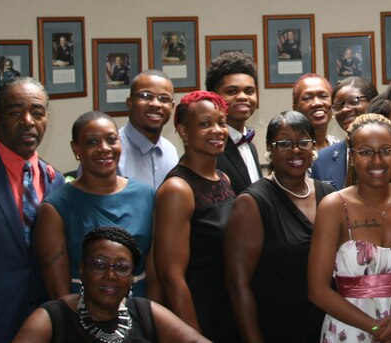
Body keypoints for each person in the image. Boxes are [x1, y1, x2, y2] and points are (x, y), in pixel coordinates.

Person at [226, 111, 335, 342]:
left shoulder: (329, 195)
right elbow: (238, 284)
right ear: (269, 148)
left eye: (303, 142)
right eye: (284, 143)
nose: (295, 150)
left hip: (331, 328)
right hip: (278, 329)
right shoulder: (253, 203)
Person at [308, 114, 391, 343]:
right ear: (352, 157)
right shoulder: (335, 206)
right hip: (350, 331)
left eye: (386, 151)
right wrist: (377, 329)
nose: (377, 161)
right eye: (366, 152)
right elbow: (317, 291)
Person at [14, 226, 208, 343]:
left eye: (122, 267)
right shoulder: (53, 317)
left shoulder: (144, 311)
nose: (111, 275)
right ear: (82, 269)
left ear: (132, 275)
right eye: (99, 265)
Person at [35, 111, 155, 300]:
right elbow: (57, 290)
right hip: (81, 310)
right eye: (92, 142)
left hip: (139, 307)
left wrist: (148, 319)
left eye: (111, 140)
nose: (104, 148)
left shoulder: (146, 195)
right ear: (76, 149)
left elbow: (156, 272)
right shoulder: (55, 207)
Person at [153, 91, 238, 341]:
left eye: (221, 122)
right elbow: (171, 276)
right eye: (204, 124)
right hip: (198, 311)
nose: (217, 130)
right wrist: (193, 335)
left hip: (227, 306)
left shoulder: (224, 179)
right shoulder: (178, 189)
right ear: (183, 131)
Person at [0, 78, 65, 343]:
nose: (28, 121)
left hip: (47, 323)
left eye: (37, 112)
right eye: (15, 112)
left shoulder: (55, 180)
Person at [207, 52, 263, 194]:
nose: (243, 97)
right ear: (213, 96)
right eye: (232, 91)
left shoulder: (251, 146)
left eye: (249, 91)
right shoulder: (209, 149)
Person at [312, 77, 379, 190]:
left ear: (373, 102)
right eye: (338, 106)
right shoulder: (322, 160)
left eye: (353, 102)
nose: (344, 110)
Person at [117, 71, 180, 191]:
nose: (155, 104)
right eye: (145, 96)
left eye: (163, 99)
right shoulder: (109, 152)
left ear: (172, 107)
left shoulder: (170, 151)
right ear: (129, 102)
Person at [294, 73, 338, 149]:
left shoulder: (337, 146)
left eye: (323, 96)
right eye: (308, 98)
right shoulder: (291, 150)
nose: (317, 103)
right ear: (295, 108)